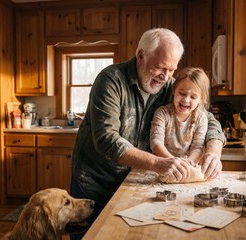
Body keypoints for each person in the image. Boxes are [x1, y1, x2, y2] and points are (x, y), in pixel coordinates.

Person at [69, 28, 225, 239]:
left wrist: (213, 151)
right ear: (141, 55)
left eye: (172, 70)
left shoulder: (169, 86)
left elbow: (209, 119)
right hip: (94, 182)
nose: (166, 77)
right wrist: (159, 163)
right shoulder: (111, 81)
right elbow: (107, 139)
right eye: (160, 67)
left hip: (131, 184)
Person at [150, 67, 211, 173]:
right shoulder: (162, 113)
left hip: (188, 169)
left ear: (201, 99)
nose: (186, 100)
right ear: (174, 90)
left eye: (193, 97)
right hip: (163, 168)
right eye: (182, 93)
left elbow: (198, 147)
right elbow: (156, 142)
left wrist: (186, 165)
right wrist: (172, 162)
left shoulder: (201, 118)